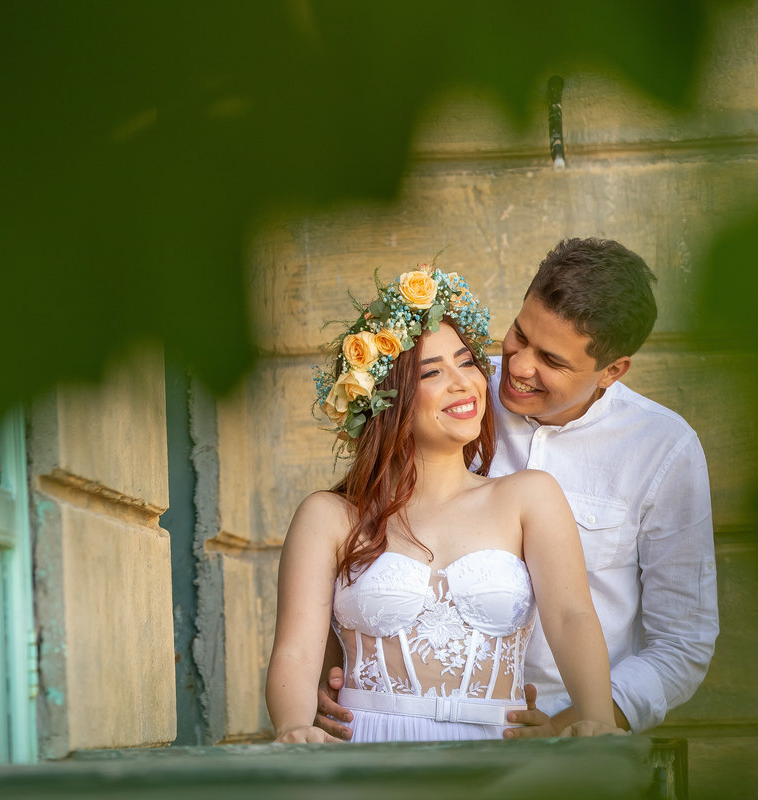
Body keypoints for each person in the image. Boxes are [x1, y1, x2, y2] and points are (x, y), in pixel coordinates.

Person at [315, 238, 719, 739]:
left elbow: (682, 643)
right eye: (519, 334)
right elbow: (358, 536)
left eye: (551, 359)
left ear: (611, 372)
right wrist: (332, 673)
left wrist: (574, 726)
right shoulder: (458, 392)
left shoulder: (664, 449)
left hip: (569, 737)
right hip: (398, 725)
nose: (520, 366)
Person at [265, 265, 620, 743]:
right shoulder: (329, 516)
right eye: (432, 372)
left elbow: (572, 615)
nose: (464, 383)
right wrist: (293, 727)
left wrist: (595, 719)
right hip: (367, 749)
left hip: (497, 755)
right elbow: (294, 651)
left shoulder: (529, 497)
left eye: (467, 362)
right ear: (384, 400)